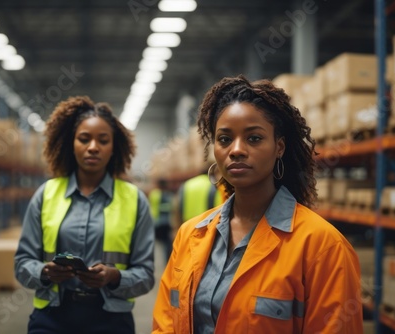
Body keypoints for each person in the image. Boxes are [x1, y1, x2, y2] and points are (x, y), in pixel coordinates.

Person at [152, 75, 363, 333]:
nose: (236, 150)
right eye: (225, 139)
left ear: (279, 147)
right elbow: (165, 324)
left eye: (253, 138)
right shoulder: (189, 235)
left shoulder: (322, 247)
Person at [15, 96, 155, 334]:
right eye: (84, 139)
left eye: (103, 140)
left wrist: (114, 277)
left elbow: (146, 275)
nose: (93, 147)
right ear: (72, 143)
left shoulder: (134, 200)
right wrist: (45, 272)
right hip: (52, 319)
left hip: (111, 321)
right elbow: (22, 263)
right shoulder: (46, 194)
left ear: (114, 148)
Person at [148, 178, 174, 263]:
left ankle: (159, 261)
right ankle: (167, 260)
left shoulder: (154, 194)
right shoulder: (169, 195)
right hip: (167, 223)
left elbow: (152, 207)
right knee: (167, 244)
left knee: (158, 245)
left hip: (157, 223)